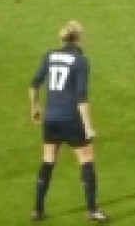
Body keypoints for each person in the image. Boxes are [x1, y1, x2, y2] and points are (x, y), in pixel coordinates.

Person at [28, 21, 109, 223]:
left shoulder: (49, 55)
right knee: (86, 160)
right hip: (71, 118)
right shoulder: (80, 61)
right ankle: (92, 210)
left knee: (48, 161)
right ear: (79, 37)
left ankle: (38, 209)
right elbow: (81, 97)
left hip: (51, 119)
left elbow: (34, 83)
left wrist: (35, 108)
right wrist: (88, 126)